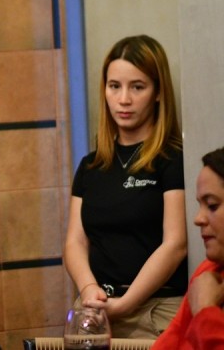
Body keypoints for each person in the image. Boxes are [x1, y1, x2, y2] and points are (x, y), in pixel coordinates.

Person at [63, 35, 188, 338]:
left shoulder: (173, 160)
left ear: (158, 92)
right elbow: (75, 243)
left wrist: (126, 304)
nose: (124, 100)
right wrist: (89, 289)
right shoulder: (90, 166)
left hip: (157, 311)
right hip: (95, 309)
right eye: (114, 86)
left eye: (137, 87)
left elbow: (176, 244)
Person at [152, 146, 224, 349]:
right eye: (200, 205)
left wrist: (204, 310)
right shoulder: (207, 271)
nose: (198, 219)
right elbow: (169, 343)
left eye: (212, 205)